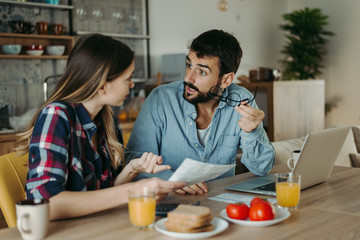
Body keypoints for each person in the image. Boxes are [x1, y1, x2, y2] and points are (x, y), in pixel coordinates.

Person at [17, 34, 185, 220]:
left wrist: (132, 169)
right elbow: (45, 203)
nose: (131, 84)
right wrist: (134, 190)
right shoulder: (56, 115)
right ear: (102, 85)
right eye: (128, 78)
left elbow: (103, 195)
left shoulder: (107, 121)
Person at [125, 29, 275, 195]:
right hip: (169, 201)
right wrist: (172, 180)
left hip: (220, 203)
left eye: (202, 72)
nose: (188, 78)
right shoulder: (161, 99)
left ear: (226, 80)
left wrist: (252, 131)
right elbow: (134, 160)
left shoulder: (241, 101)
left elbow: (262, 168)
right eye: (189, 65)